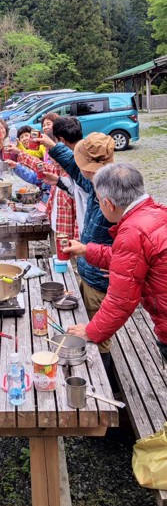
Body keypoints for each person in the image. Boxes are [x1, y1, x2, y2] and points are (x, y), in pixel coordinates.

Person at [67, 163, 167, 362]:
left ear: (109, 204)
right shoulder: (157, 213)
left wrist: (91, 332)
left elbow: (120, 301)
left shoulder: (132, 231)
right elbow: (132, 260)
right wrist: (87, 250)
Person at [43, 131, 115, 369]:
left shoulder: (113, 192)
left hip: (100, 279)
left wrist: (116, 265)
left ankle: (108, 385)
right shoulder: (98, 179)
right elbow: (74, 168)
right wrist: (52, 146)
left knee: (97, 336)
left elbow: (131, 243)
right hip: (90, 272)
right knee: (87, 328)